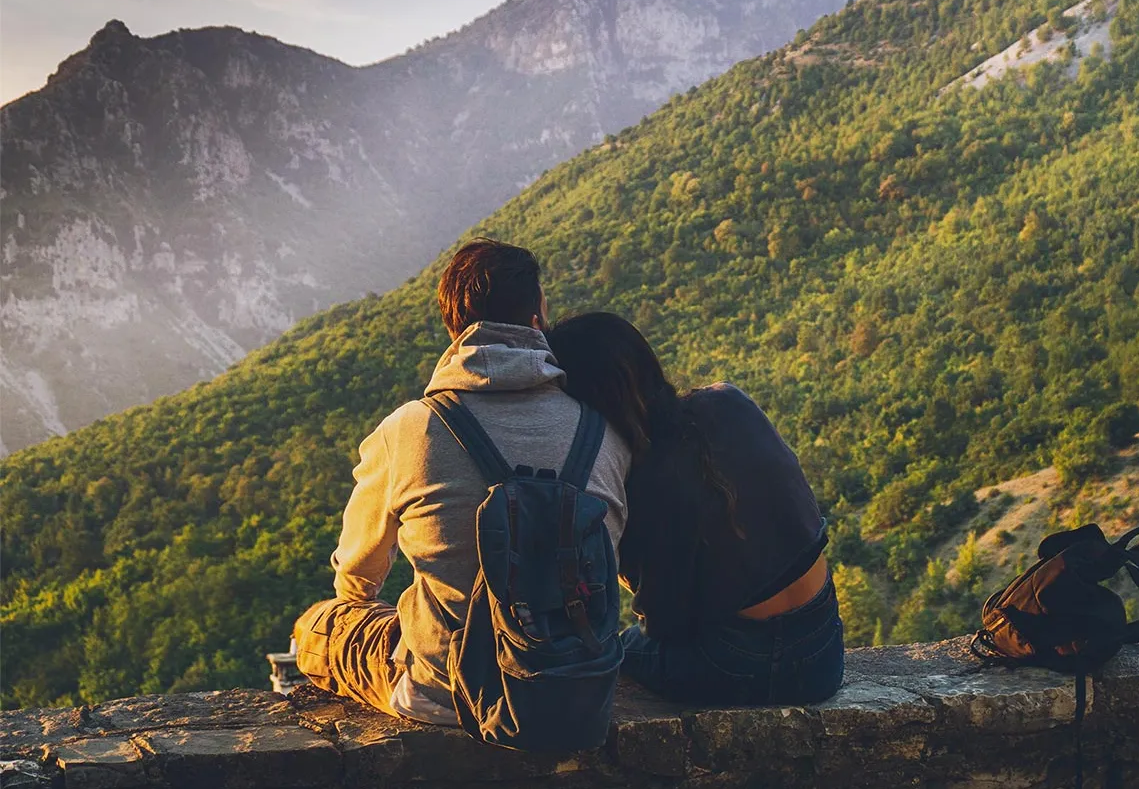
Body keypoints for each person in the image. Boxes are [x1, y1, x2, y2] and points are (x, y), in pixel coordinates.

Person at [289, 239, 633, 724]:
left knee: (318, 626)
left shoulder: (410, 428)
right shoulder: (605, 432)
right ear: (537, 318)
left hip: (446, 690)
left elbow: (357, 572)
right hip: (575, 685)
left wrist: (365, 604)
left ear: (453, 328)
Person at [546, 312, 843, 706]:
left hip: (741, 664)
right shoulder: (728, 400)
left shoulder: (645, 480)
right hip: (825, 648)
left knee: (615, 648)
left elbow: (665, 626)